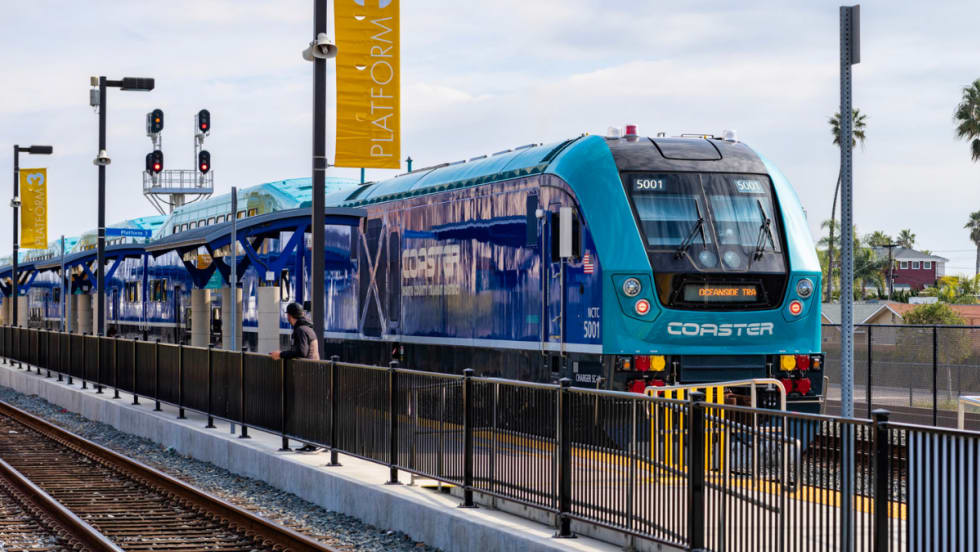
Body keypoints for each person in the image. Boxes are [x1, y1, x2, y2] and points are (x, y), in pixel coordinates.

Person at [270, 302, 319, 451]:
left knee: (306, 409)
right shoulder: (308, 329)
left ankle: (311, 443)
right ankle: (312, 442)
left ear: (290, 316)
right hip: (312, 373)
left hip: (307, 374)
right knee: (309, 409)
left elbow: (301, 352)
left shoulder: (300, 330)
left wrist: (281, 355)